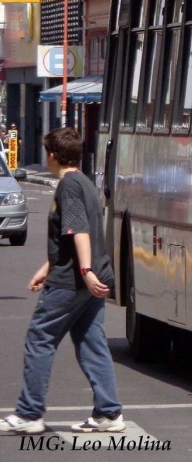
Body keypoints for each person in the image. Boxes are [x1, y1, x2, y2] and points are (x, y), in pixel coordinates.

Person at [0, 128, 125, 435]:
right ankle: (108, 413)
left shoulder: (68, 185)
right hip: (88, 277)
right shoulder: (84, 182)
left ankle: (30, 413)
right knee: (92, 343)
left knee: (40, 339)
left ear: (52, 156)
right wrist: (48, 266)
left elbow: (79, 230)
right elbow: (71, 237)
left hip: (73, 281)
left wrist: (85, 271)